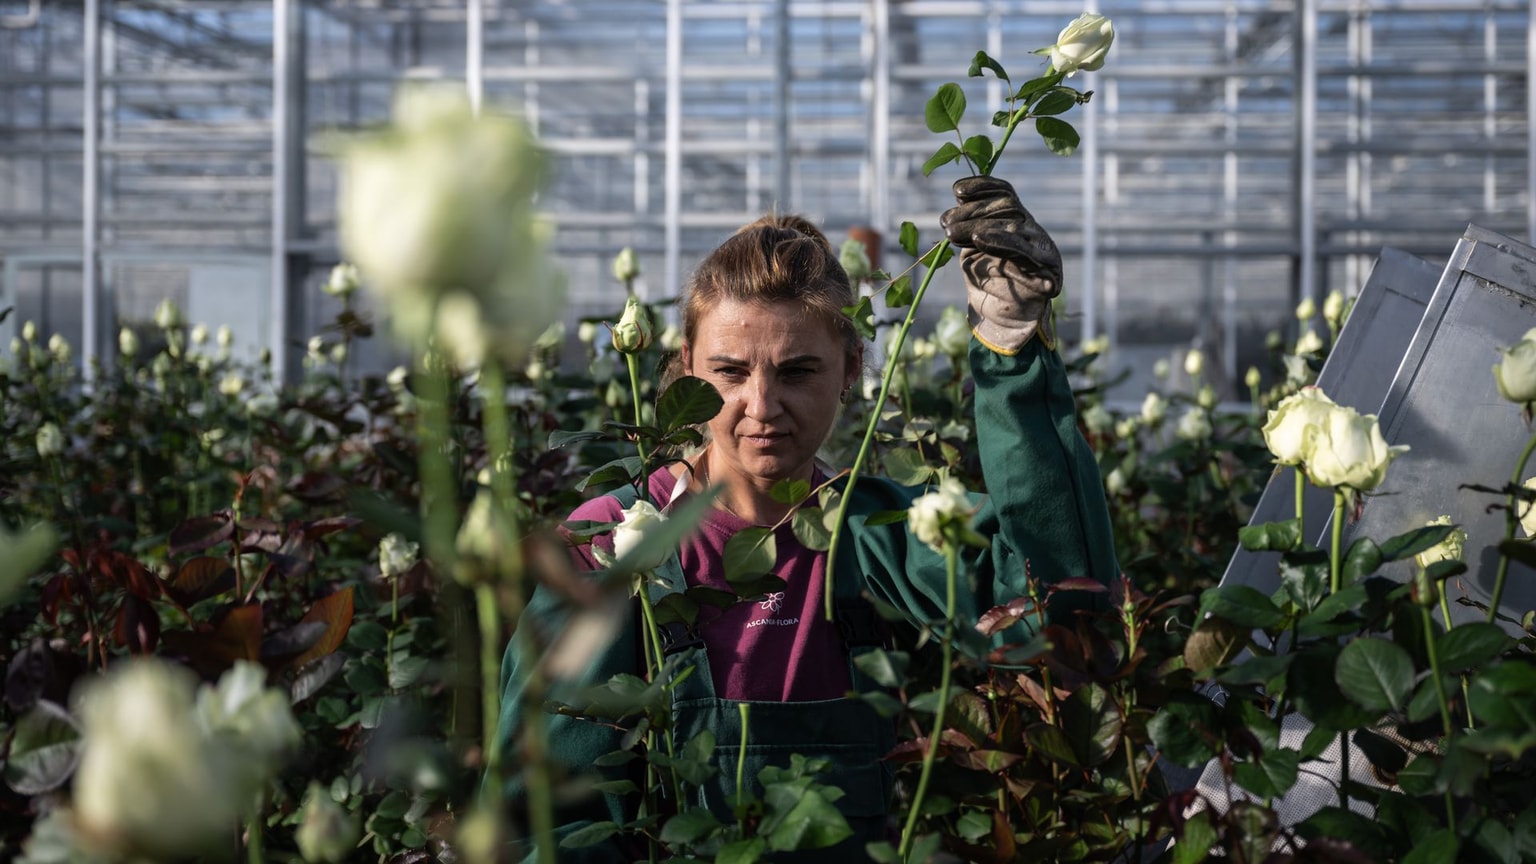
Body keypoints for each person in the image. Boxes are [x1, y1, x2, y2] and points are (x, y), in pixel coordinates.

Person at [492, 176, 1121, 861]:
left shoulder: (877, 532)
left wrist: (1010, 350)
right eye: (730, 373)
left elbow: (1056, 614)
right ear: (685, 369)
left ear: (851, 369)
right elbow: (551, 816)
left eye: (797, 372)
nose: (761, 407)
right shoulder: (615, 543)